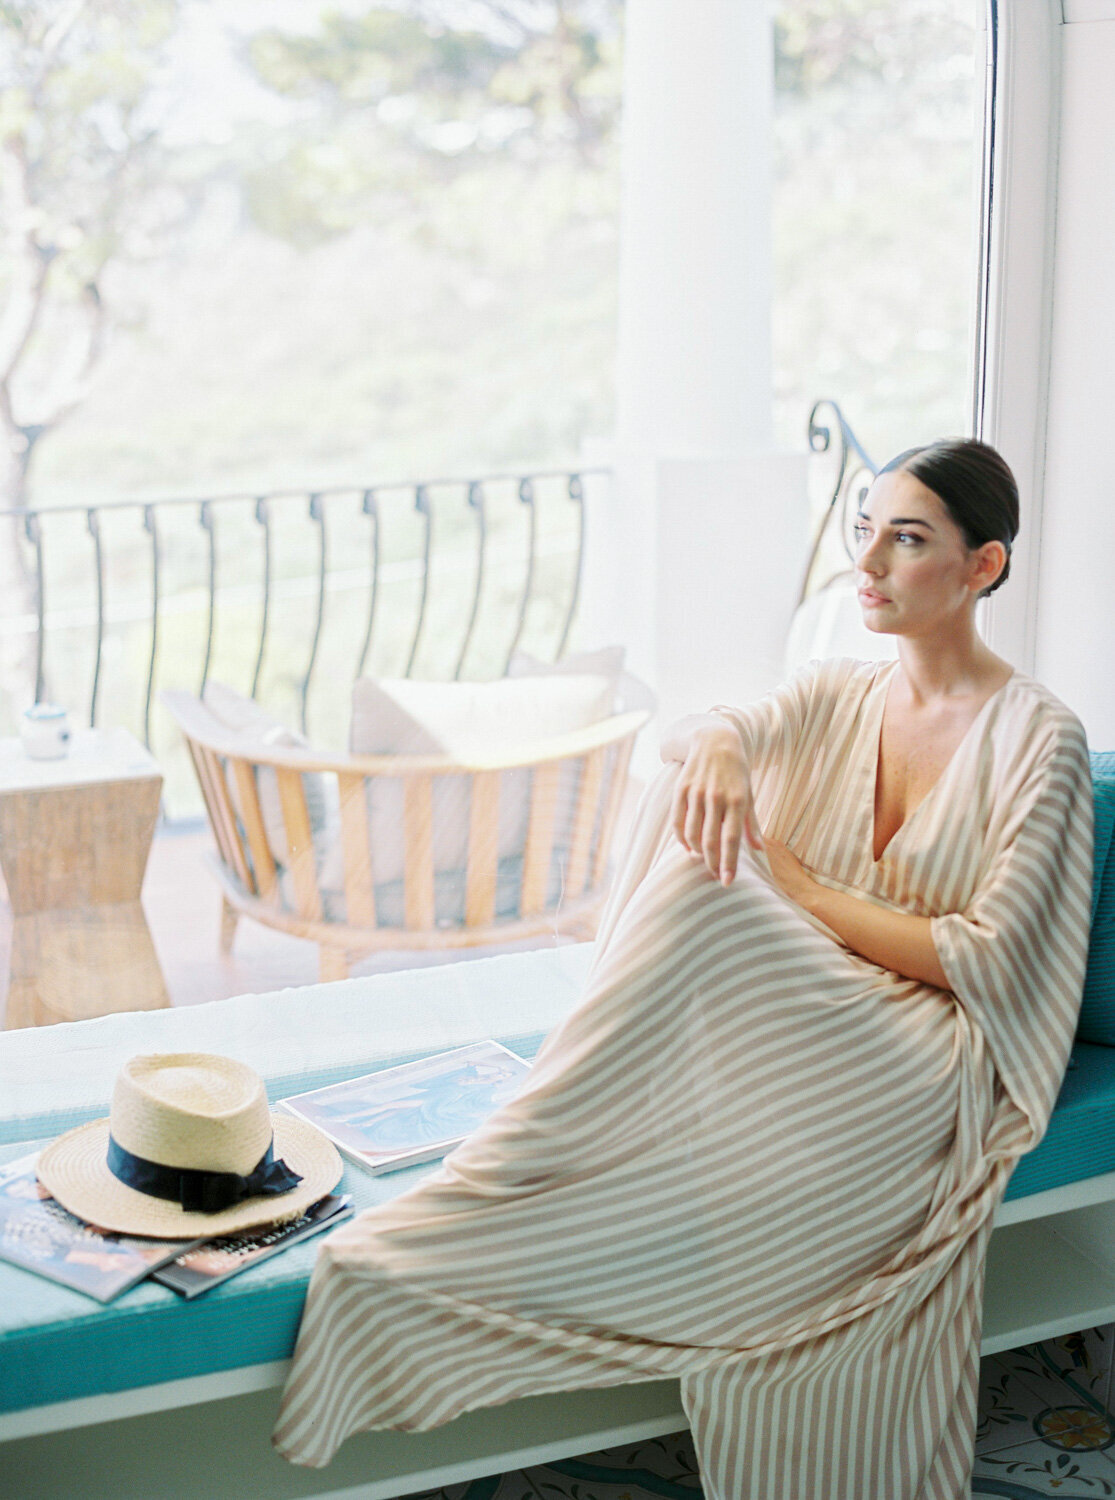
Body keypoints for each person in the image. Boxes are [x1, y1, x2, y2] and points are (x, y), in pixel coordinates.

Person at [272, 438, 1094, 1500]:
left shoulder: (1040, 739)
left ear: (981, 567)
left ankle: (506, 1169)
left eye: (907, 539)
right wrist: (712, 744)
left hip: (928, 1045)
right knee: (690, 806)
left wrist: (799, 890)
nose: (871, 563)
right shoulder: (839, 689)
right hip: (818, 1000)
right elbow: (710, 734)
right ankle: (540, 1151)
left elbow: (985, 959)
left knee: (712, 900)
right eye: (864, 531)